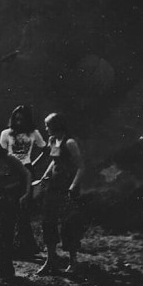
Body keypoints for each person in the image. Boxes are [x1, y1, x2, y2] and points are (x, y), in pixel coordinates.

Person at [33, 112, 85, 275]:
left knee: (68, 225)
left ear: (56, 125)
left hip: (67, 188)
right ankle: (51, 260)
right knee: (48, 222)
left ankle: (73, 262)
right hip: (53, 186)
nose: (46, 128)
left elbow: (81, 167)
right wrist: (43, 178)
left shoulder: (70, 143)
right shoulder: (52, 140)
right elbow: (54, 161)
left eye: (48, 125)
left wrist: (73, 186)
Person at [0, 105, 47, 257]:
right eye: (16, 119)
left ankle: (27, 247)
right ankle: (7, 245)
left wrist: (32, 164)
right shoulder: (6, 133)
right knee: (8, 208)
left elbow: (46, 150)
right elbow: (1, 155)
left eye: (22, 119)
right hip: (10, 171)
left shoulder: (34, 133)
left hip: (26, 169)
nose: (19, 122)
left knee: (24, 209)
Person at [0, 142, 31, 280]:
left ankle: (6, 269)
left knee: (6, 233)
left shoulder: (10, 160)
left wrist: (26, 194)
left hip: (10, 200)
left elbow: (26, 174)